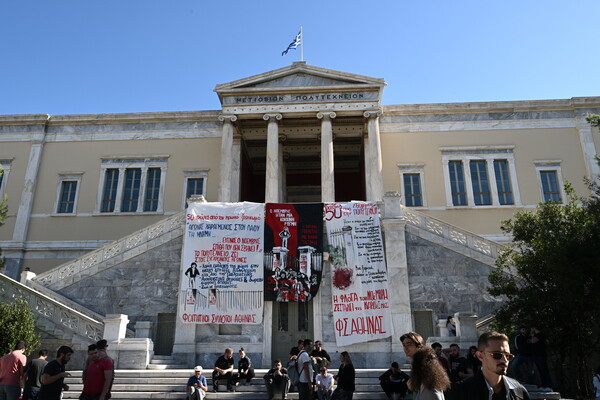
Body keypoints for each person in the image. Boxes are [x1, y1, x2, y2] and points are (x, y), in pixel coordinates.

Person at [448, 331, 530, 400]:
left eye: (508, 356)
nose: (504, 360)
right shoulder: (462, 391)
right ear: (480, 356)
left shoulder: (519, 390)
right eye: (497, 355)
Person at [529, 326, 553, 392]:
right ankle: (543, 386)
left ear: (534, 328)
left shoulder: (540, 335)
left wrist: (532, 334)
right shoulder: (536, 335)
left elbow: (533, 341)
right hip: (537, 356)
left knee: (544, 371)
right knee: (540, 371)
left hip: (541, 356)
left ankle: (549, 386)